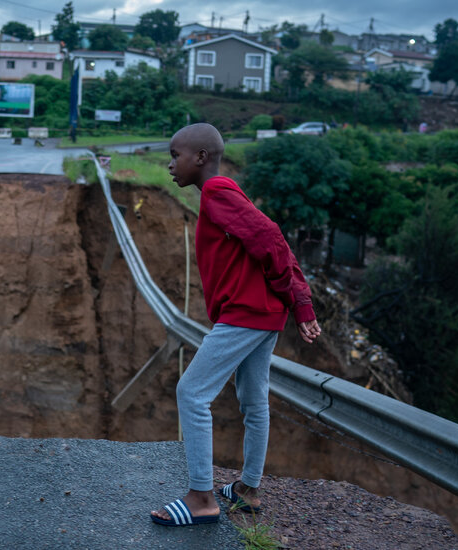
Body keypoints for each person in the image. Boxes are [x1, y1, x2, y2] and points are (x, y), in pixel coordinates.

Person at [150, 123, 322, 526]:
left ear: (201, 158)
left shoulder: (215, 192)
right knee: (253, 398)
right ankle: (248, 489)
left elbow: (270, 238)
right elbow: (271, 239)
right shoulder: (226, 190)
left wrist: (301, 302)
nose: (170, 164)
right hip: (264, 314)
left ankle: (201, 497)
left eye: (176, 155)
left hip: (245, 313)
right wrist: (298, 304)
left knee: (192, 393)